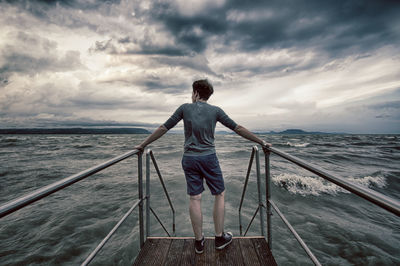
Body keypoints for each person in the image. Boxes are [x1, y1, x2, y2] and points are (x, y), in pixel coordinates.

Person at [134, 79, 271, 254]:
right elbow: (238, 128)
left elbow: (163, 128)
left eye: (192, 93)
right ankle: (219, 238)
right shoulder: (216, 111)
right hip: (209, 158)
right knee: (219, 194)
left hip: (189, 159)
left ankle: (199, 243)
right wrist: (261, 141)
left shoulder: (184, 108)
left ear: (196, 93)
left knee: (195, 198)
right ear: (208, 94)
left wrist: (143, 145)